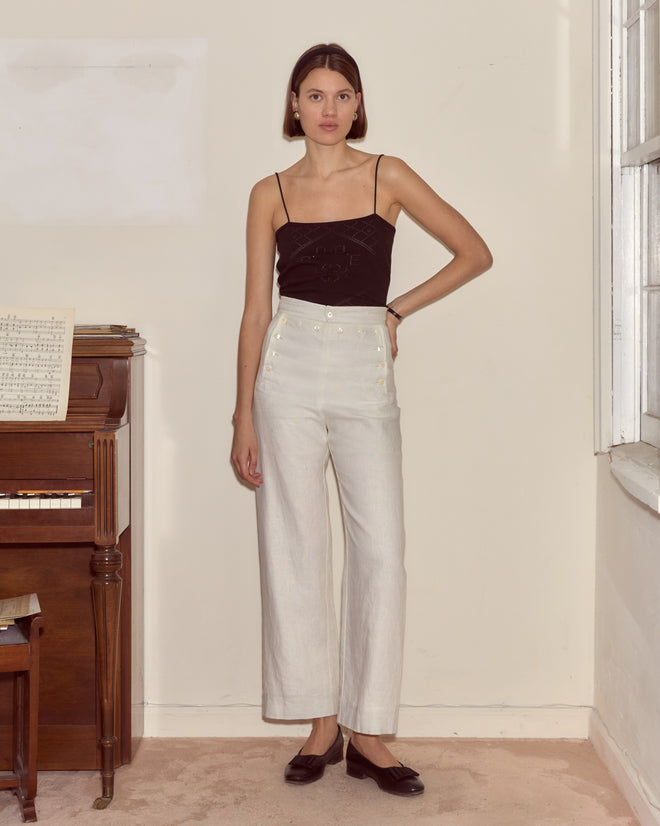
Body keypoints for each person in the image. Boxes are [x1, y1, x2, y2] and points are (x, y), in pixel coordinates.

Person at [231, 43, 492, 797]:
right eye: (314, 95)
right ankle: (321, 721)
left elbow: (474, 252)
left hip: (361, 366)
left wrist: (395, 309)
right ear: (293, 105)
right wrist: (241, 415)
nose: (329, 109)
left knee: (381, 549)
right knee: (295, 545)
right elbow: (254, 313)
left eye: (342, 94)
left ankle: (370, 729)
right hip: (288, 366)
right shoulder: (269, 191)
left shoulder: (388, 175)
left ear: (358, 102)